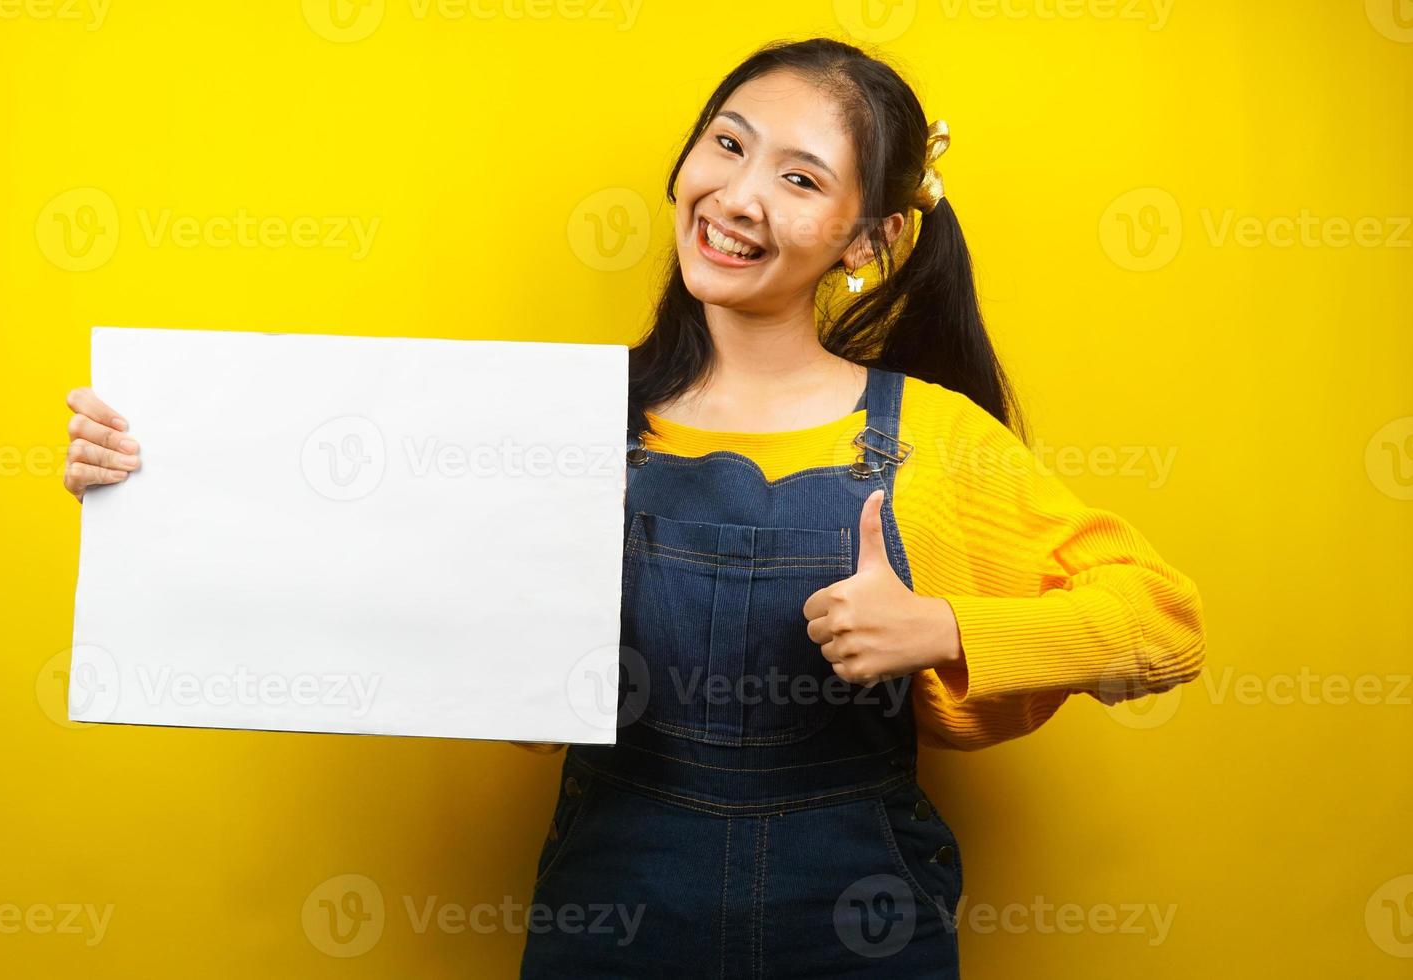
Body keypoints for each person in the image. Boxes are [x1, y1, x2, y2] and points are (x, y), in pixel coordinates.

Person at [63, 36, 1207, 978]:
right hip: (616, 911)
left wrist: (946, 629)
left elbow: (1164, 623)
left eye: (800, 178)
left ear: (869, 240)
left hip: (859, 919)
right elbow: (423, 615)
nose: (739, 195)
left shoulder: (936, 439)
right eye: (728, 144)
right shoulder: (566, 422)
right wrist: (155, 478)